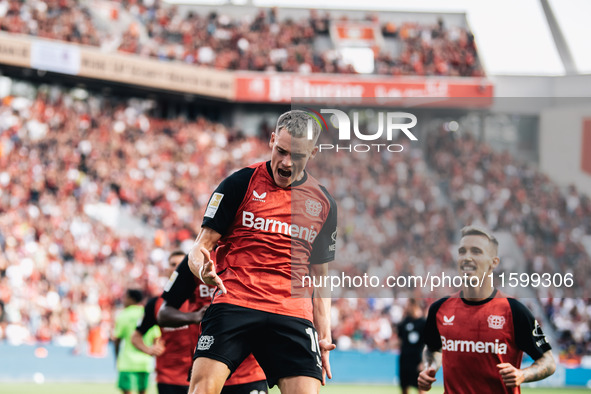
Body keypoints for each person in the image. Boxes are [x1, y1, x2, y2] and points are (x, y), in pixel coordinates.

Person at [187, 110, 338, 394]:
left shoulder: (323, 203)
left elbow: (321, 276)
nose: (286, 162)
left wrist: (324, 333)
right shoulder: (238, 184)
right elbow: (200, 247)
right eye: (281, 151)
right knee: (201, 390)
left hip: (292, 311)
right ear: (271, 139)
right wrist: (202, 270)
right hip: (236, 302)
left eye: (298, 155)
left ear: (314, 153)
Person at [417, 225, 556, 393]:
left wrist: (522, 374)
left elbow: (548, 361)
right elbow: (432, 348)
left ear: (494, 262)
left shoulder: (514, 311)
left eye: (476, 251)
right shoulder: (439, 309)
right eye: (462, 251)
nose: (466, 257)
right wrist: (430, 367)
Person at [158, 253, 268, 394]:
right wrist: (195, 316)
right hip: (207, 371)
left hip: (249, 373)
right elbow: (163, 314)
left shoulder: (255, 253)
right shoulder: (196, 258)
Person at [131, 250, 203, 394]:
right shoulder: (155, 304)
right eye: (173, 264)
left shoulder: (203, 298)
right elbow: (136, 336)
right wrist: (149, 350)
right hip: (169, 378)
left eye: (182, 264)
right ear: (166, 270)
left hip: (201, 374)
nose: (177, 267)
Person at [113, 289, 161, 394]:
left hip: (127, 362)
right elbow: (156, 337)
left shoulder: (123, 315)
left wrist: (116, 357)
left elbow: (117, 338)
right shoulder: (147, 313)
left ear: (131, 299)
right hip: (145, 362)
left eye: (125, 297)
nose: (123, 300)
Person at [397, 299, 426, 394]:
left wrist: (423, 362)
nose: (407, 308)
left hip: (418, 360)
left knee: (421, 387)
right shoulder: (405, 322)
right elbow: (400, 339)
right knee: (404, 386)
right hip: (405, 359)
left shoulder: (424, 323)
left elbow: (428, 344)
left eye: (409, 305)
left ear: (415, 306)